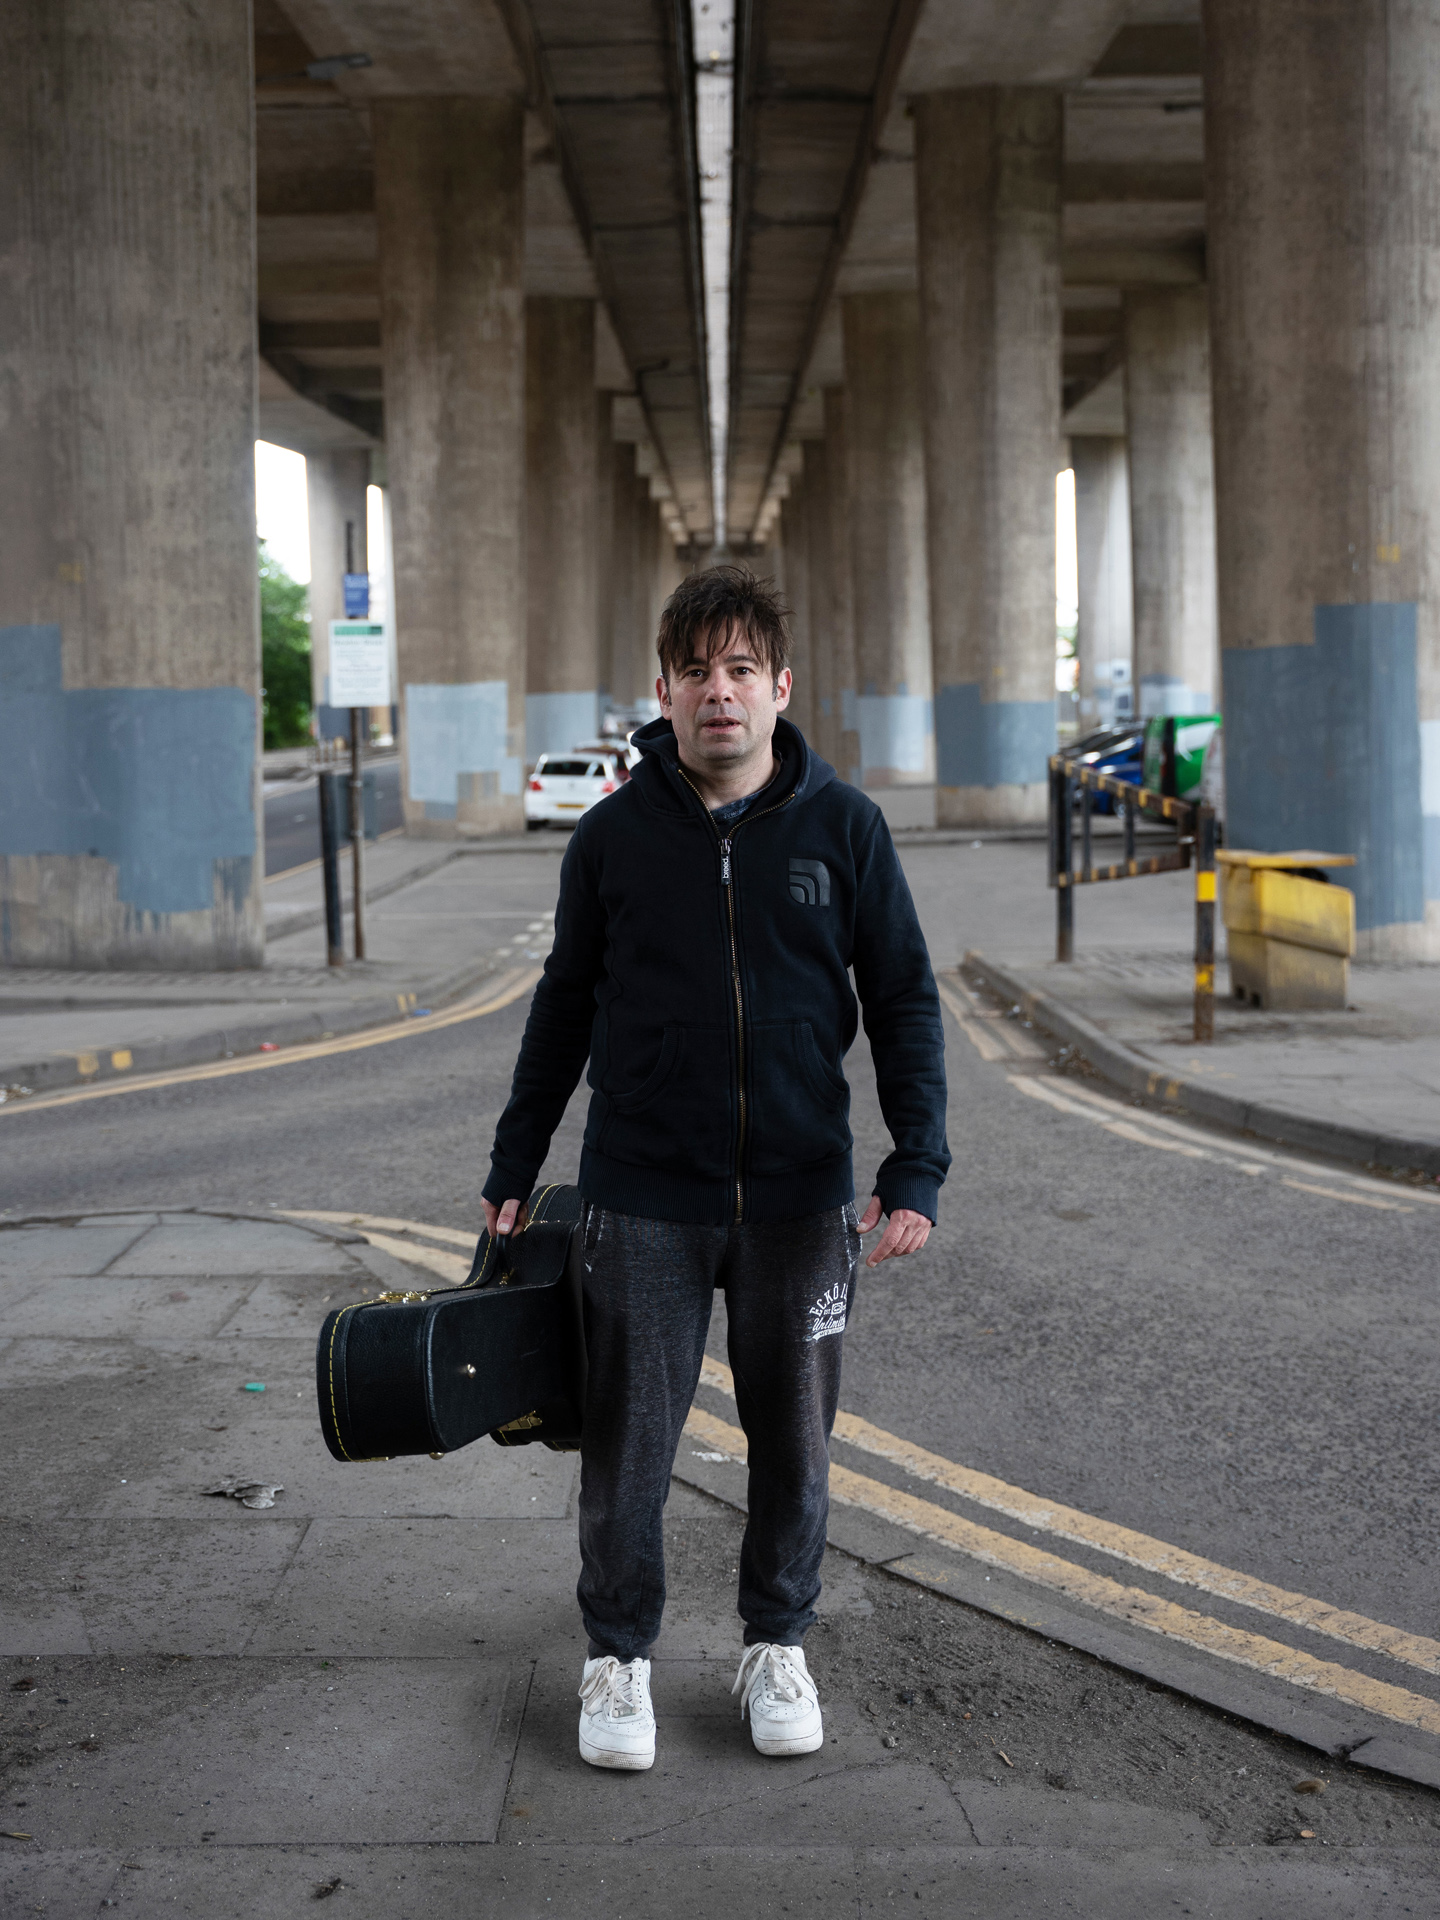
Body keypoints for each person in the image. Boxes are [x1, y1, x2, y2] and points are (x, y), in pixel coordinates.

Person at [482, 565, 949, 1771]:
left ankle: (776, 1644)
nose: (719, 692)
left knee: (794, 1441)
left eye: (741, 669)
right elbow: (564, 1006)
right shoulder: (612, 838)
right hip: (644, 1192)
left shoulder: (845, 828)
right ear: (665, 692)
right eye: (696, 671)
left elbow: (903, 999)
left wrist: (916, 1165)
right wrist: (516, 1159)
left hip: (801, 1194)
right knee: (629, 1443)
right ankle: (618, 1659)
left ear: (781, 687)